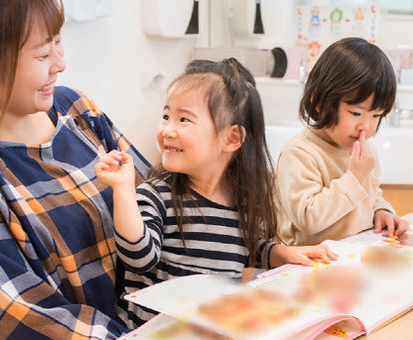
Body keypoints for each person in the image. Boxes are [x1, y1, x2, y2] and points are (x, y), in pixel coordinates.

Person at [0, 1, 150, 338]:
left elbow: (154, 200)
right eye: (41, 55)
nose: (61, 64)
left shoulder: (77, 111)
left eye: (58, 43)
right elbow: (23, 316)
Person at [95, 58, 337, 328]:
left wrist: (282, 254)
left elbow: (246, 248)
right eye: (166, 116)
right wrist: (124, 189)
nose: (168, 130)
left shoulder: (241, 204)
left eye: (184, 119)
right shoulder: (154, 195)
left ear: (231, 139)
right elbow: (138, 257)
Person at [275, 37, 409, 246]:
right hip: (309, 264)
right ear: (319, 102)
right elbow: (308, 219)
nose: (366, 126)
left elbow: (371, 195)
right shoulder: (300, 153)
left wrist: (381, 210)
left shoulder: (365, 150)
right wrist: (355, 177)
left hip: (354, 257)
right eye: (356, 113)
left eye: (376, 116)